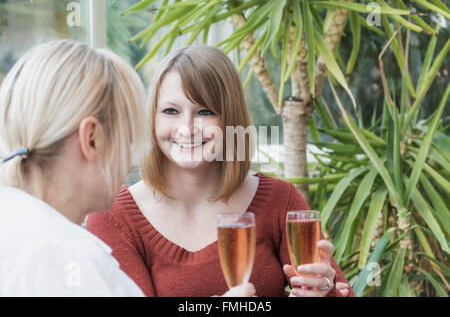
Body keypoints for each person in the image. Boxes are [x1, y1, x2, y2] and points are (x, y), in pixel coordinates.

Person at [87, 45, 355, 297]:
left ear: (230, 120)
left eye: (204, 112)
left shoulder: (279, 200)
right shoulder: (114, 217)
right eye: (170, 111)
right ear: (153, 120)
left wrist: (326, 289)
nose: (187, 128)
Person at [0, 40, 254, 297]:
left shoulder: (20, 229)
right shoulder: (64, 255)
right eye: (128, 138)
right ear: (92, 139)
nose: (130, 160)